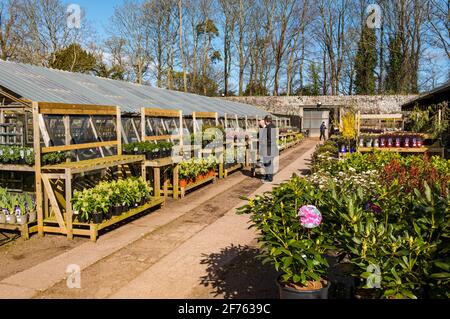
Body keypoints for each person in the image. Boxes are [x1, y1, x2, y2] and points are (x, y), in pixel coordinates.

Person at [259, 115, 277, 183]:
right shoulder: (272, 126)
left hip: (268, 148)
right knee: (268, 163)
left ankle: (269, 179)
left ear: (266, 121)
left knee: (268, 163)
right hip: (270, 148)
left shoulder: (268, 127)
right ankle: (267, 176)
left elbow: (269, 139)